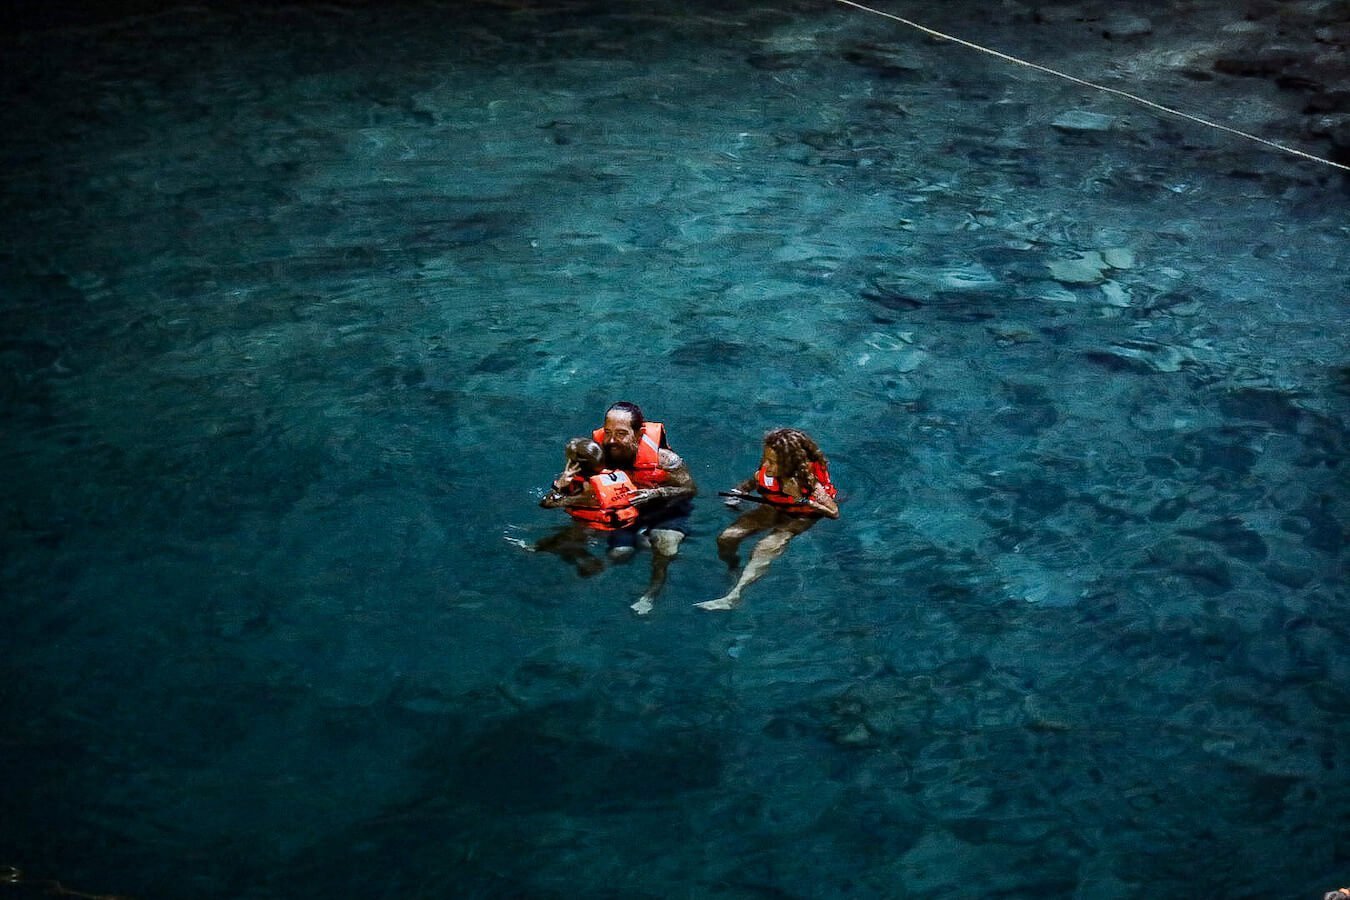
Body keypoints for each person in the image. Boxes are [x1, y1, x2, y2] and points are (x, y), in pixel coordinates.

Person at [696, 427, 839, 611]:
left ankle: (733, 596)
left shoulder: (809, 482)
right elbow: (753, 482)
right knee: (726, 538)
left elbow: (833, 512)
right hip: (773, 507)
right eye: (766, 459)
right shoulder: (768, 470)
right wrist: (738, 493)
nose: (766, 465)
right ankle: (733, 569)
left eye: (773, 462)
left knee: (764, 547)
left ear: (789, 463)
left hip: (802, 516)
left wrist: (799, 499)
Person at [593, 401, 698, 615]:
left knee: (666, 548)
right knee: (619, 554)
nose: (611, 440)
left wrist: (656, 493)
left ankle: (650, 594)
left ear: (639, 434)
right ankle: (642, 541)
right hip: (628, 508)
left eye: (621, 434)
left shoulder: (665, 459)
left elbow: (690, 489)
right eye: (608, 432)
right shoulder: (598, 453)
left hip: (666, 509)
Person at [532, 437, 641, 576]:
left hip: (592, 528)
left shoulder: (588, 490)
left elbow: (546, 504)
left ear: (574, 465)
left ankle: (593, 564)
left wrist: (559, 485)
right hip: (623, 525)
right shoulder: (613, 476)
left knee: (540, 547)